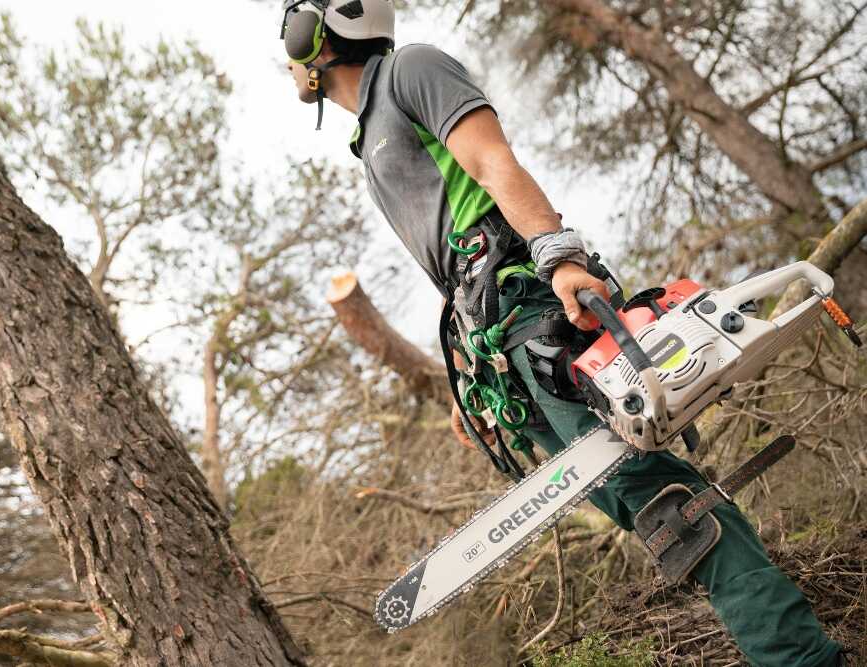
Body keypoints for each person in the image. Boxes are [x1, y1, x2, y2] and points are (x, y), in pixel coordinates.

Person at [279, 1, 844, 665]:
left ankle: (800, 658)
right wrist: (468, 380)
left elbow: (492, 162)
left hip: (529, 308)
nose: (283, 59)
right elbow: (448, 261)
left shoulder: (411, 70)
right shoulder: (369, 137)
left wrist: (560, 254)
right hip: (493, 342)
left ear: (318, 30)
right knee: (653, 514)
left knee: (662, 502)